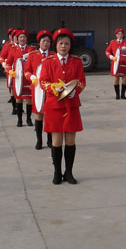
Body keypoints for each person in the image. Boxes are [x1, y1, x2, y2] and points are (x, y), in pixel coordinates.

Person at [40, 28, 86, 185]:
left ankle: (69, 172)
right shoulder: (48, 62)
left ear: (70, 45)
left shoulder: (76, 61)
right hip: (54, 106)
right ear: (56, 45)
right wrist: (54, 87)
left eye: (67, 43)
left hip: (71, 106)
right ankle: (57, 172)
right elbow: (43, 81)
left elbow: (81, 81)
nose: (64, 46)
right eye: (61, 43)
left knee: (71, 141)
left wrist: (74, 91)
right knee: (57, 141)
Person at [25, 30, 55, 150]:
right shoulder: (32, 55)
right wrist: (32, 77)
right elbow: (27, 71)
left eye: (48, 41)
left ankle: (50, 140)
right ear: (39, 42)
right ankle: (39, 140)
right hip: (37, 89)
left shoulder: (53, 55)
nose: (46, 43)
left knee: (49, 115)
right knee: (38, 115)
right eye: (44, 41)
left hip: (50, 90)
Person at [6, 29, 36, 127]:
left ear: (27, 39)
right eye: (20, 37)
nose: (22, 39)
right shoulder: (13, 50)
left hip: (28, 78)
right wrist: (10, 71)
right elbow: (8, 63)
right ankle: (19, 120)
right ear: (17, 39)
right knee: (18, 99)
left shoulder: (31, 49)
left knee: (29, 99)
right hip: (18, 78)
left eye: (24, 37)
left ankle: (28, 119)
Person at [105, 28, 126, 100]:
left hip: (125, 62)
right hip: (115, 62)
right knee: (116, 78)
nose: (120, 35)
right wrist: (111, 57)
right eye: (118, 34)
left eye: (121, 34)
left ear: (123, 35)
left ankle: (123, 94)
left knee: (124, 77)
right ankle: (117, 95)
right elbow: (107, 51)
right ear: (116, 35)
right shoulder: (112, 42)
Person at [0, 28, 17, 114]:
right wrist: (5, 65)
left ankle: (19, 107)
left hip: (21, 71)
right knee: (12, 87)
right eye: (12, 35)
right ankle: (15, 107)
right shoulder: (8, 45)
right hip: (11, 69)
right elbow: (2, 56)